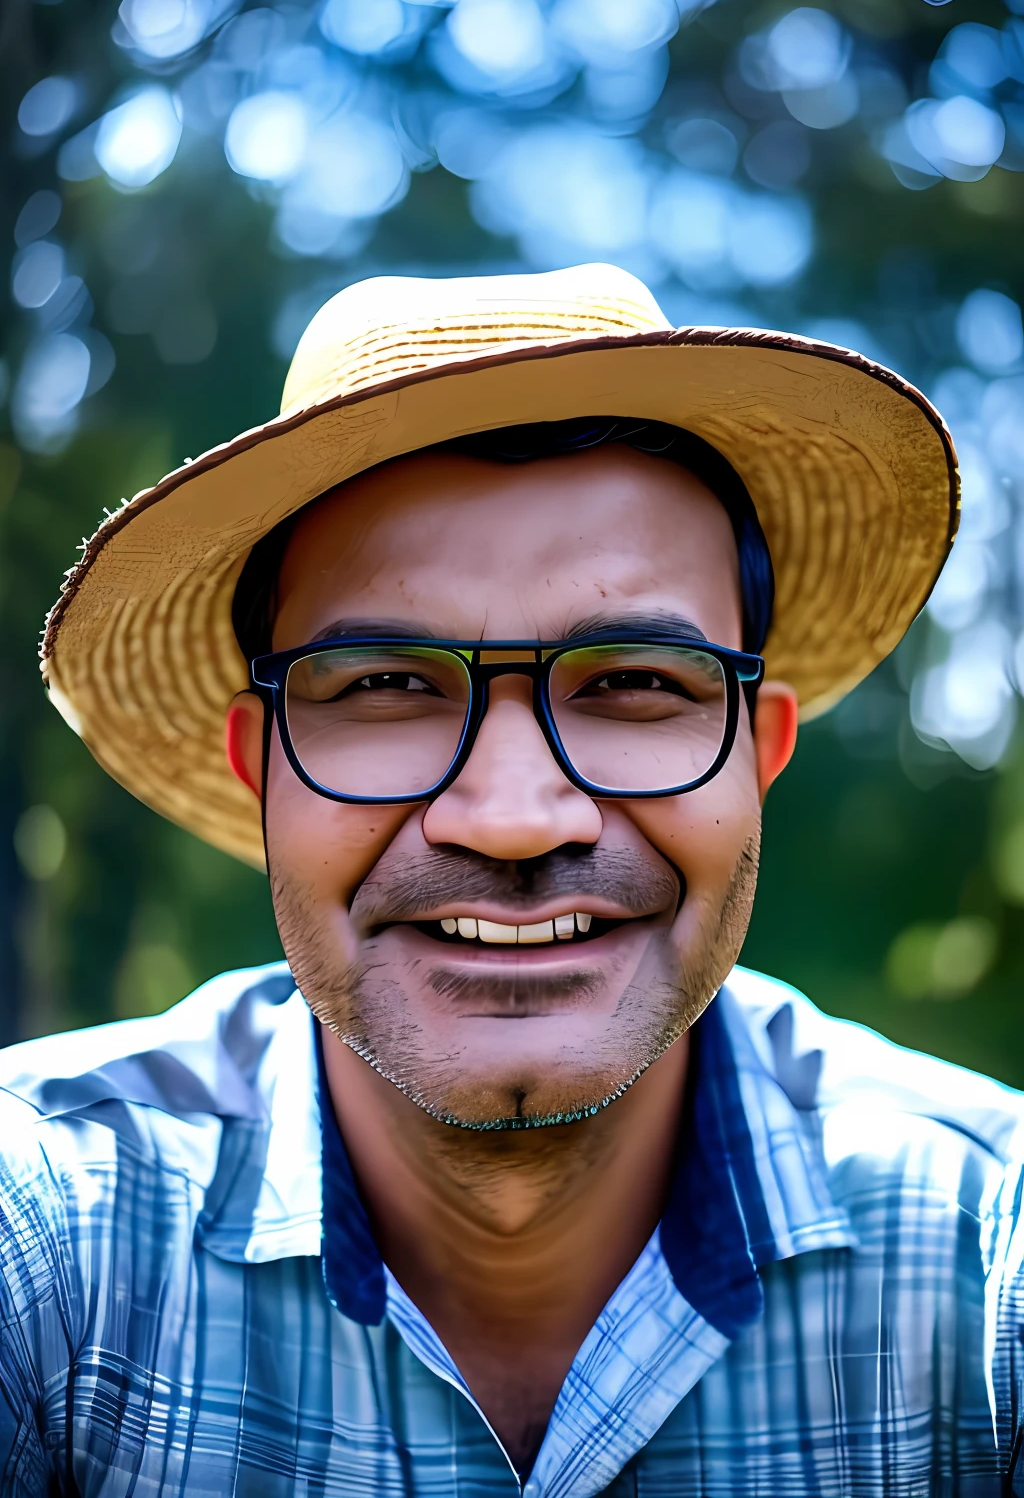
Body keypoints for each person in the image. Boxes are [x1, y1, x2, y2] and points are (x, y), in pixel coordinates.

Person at [2, 262, 1017, 1497]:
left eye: (635, 679)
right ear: (261, 772)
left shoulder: (981, 1253)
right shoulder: (52, 1233)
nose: (516, 819)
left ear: (759, 756)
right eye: (384, 682)